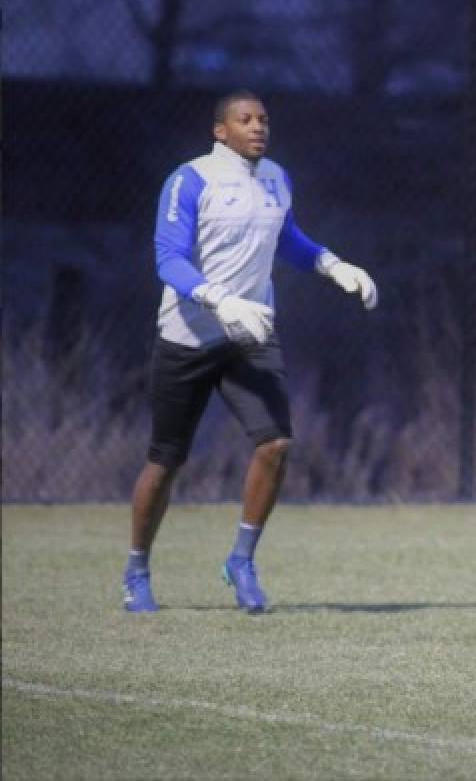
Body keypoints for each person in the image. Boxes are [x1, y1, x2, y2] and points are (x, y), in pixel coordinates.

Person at [122, 90, 378, 614]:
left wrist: (334, 265)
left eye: (263, 118)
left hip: (249, 334)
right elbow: (168, 261)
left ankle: (242, 560)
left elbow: (288, 239)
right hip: (187, 335)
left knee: (276, 443)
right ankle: (136, 569)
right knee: (166, 460)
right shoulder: (189, 180)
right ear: (221, 131)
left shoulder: (275, 179)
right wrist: (220, 301)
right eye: (245, 119)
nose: (258, 126)